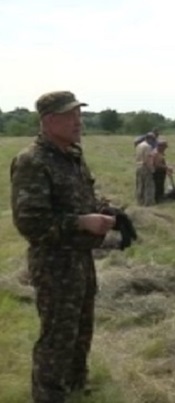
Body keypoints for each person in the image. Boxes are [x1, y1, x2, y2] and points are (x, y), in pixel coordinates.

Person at [10, 91, 117, 403]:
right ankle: (49, 395)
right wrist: (82, 222)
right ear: (48, 121)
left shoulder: (72, 155)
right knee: (57, 334)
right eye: (70, 116)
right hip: (55, 263)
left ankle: (74, 386)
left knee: (81, 328)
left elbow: (80, 199)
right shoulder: (32, 161)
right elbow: (31, 223)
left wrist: (106, 211)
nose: (78, 122)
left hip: (81, 259)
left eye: (79, 114)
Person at [135, 132, 156, 206]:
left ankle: (139, 201)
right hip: (145, 167)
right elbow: (148, 159)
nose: (153, 141)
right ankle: (148, 203)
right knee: (148, 186)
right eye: (153, 139)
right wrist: (151, 169)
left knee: (140, 185)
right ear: (149, 138)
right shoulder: (148, 147)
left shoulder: (139, 145)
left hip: (138, 166)